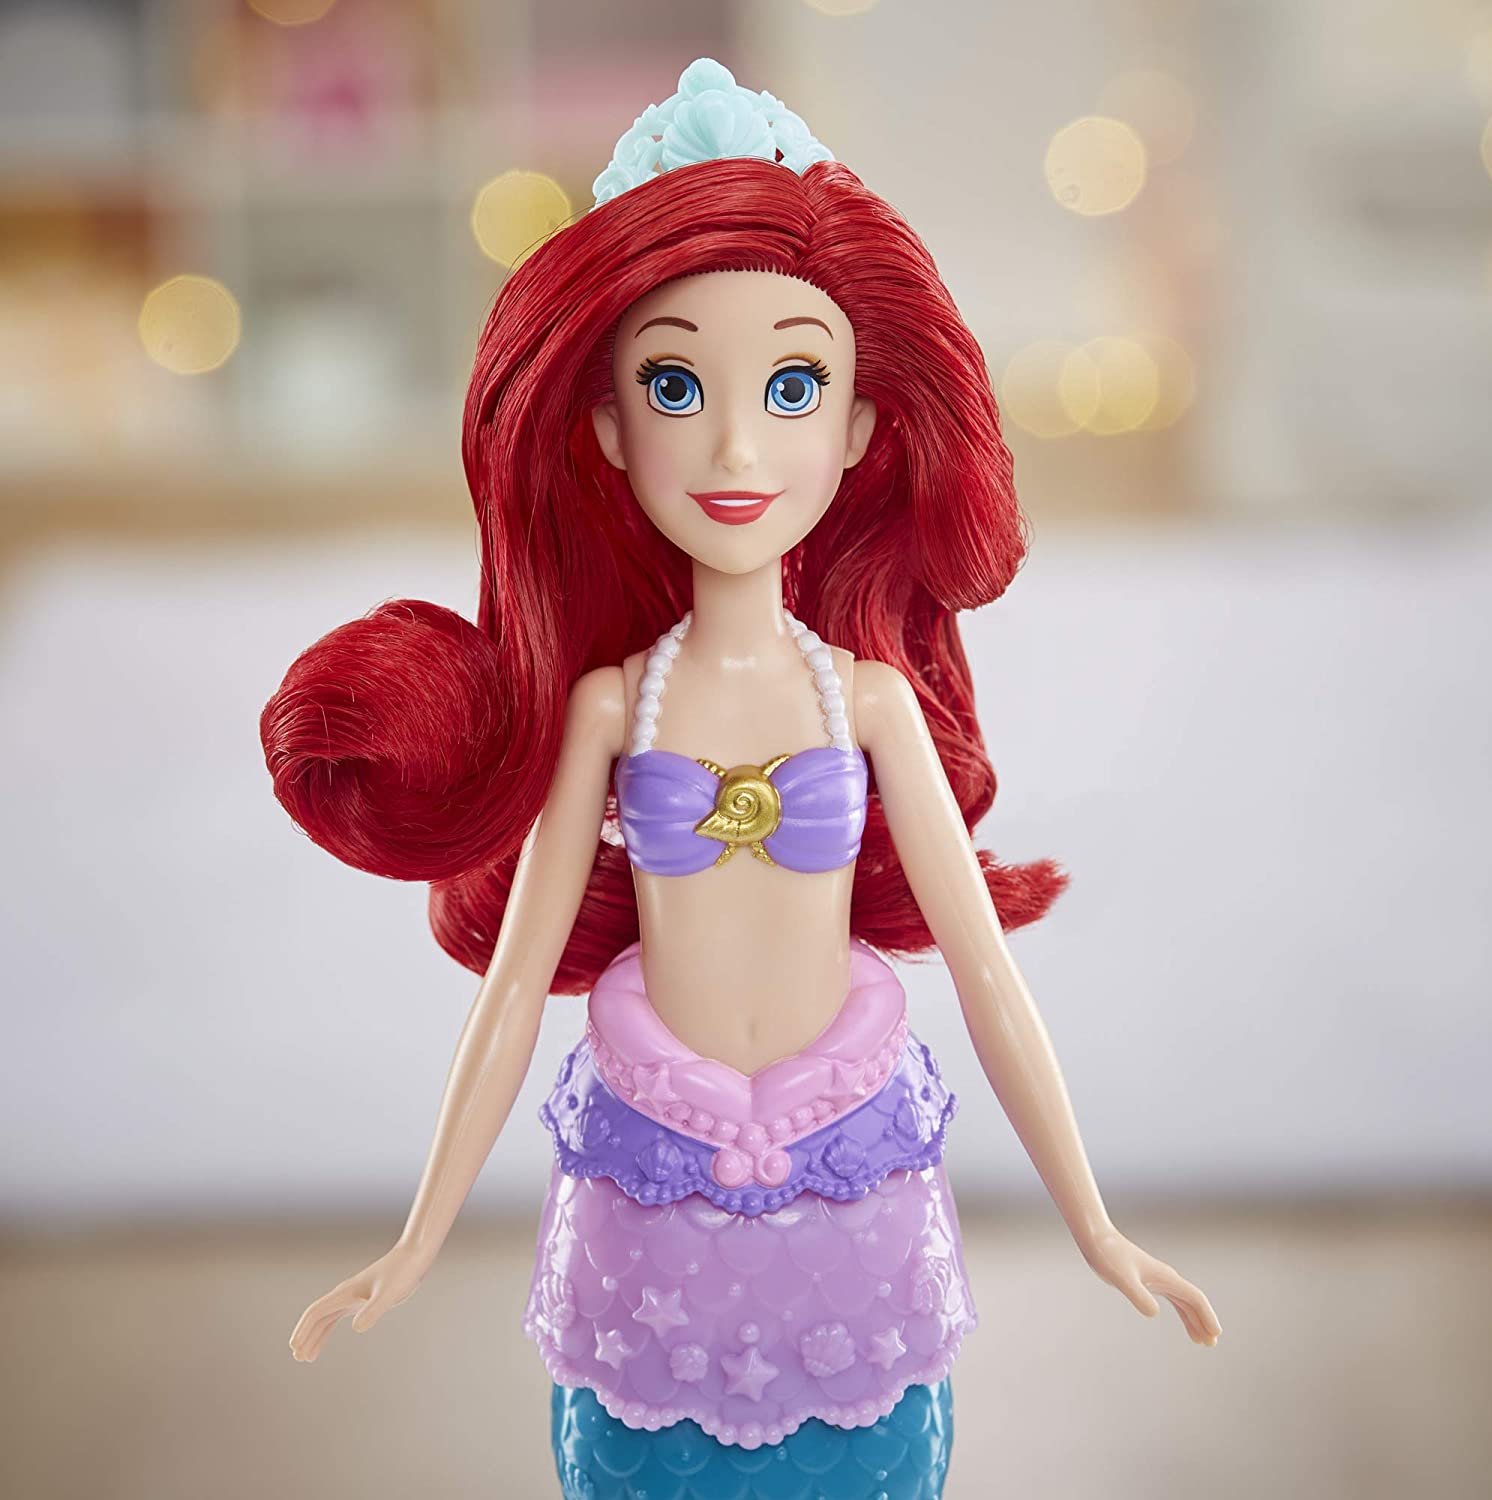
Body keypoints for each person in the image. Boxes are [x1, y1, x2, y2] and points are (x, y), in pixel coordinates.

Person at [264, 57, 1220, 1500]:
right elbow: (513, 992)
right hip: (654, 1173)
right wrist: (415, 1241)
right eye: (673, 385)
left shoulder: (869, 700)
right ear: (605, 426)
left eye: (791, 387)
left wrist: (1095, 1225)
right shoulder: (610, 706)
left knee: (874, 1458)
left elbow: (987, 975)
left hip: (851, 1169)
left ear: (858, 429)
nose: (731, 446)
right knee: (639, 1461)